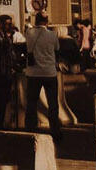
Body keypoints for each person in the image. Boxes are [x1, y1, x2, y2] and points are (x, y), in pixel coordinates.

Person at [23, 12, 62, 140]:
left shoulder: (29, 33)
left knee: (32, 102)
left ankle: (30, 128)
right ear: (47, 21)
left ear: (36, 20)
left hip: (33, 73)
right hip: (50, 73)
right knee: (52, 103)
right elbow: (56, 49)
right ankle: (55, 129)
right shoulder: (52, 35)